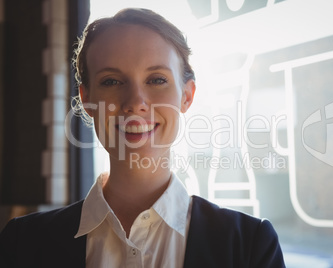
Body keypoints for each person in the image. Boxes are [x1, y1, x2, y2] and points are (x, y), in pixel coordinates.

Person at [0, 8, 285, 268]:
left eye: (156, 79)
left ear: (186, 96)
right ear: (86, 99)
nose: (136, 102)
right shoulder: (21, 243)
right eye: (111, 81)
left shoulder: (251, 246)